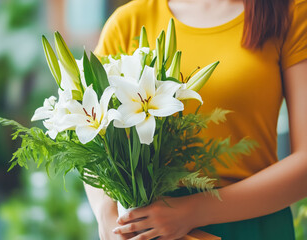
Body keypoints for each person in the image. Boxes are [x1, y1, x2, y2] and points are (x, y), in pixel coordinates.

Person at [85, 0, 307, 239]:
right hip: (148, 227)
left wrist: (192, 211)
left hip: (252, 222)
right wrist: (108, 219)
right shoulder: (128, 22)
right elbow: (91, 138)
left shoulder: (288, 11)